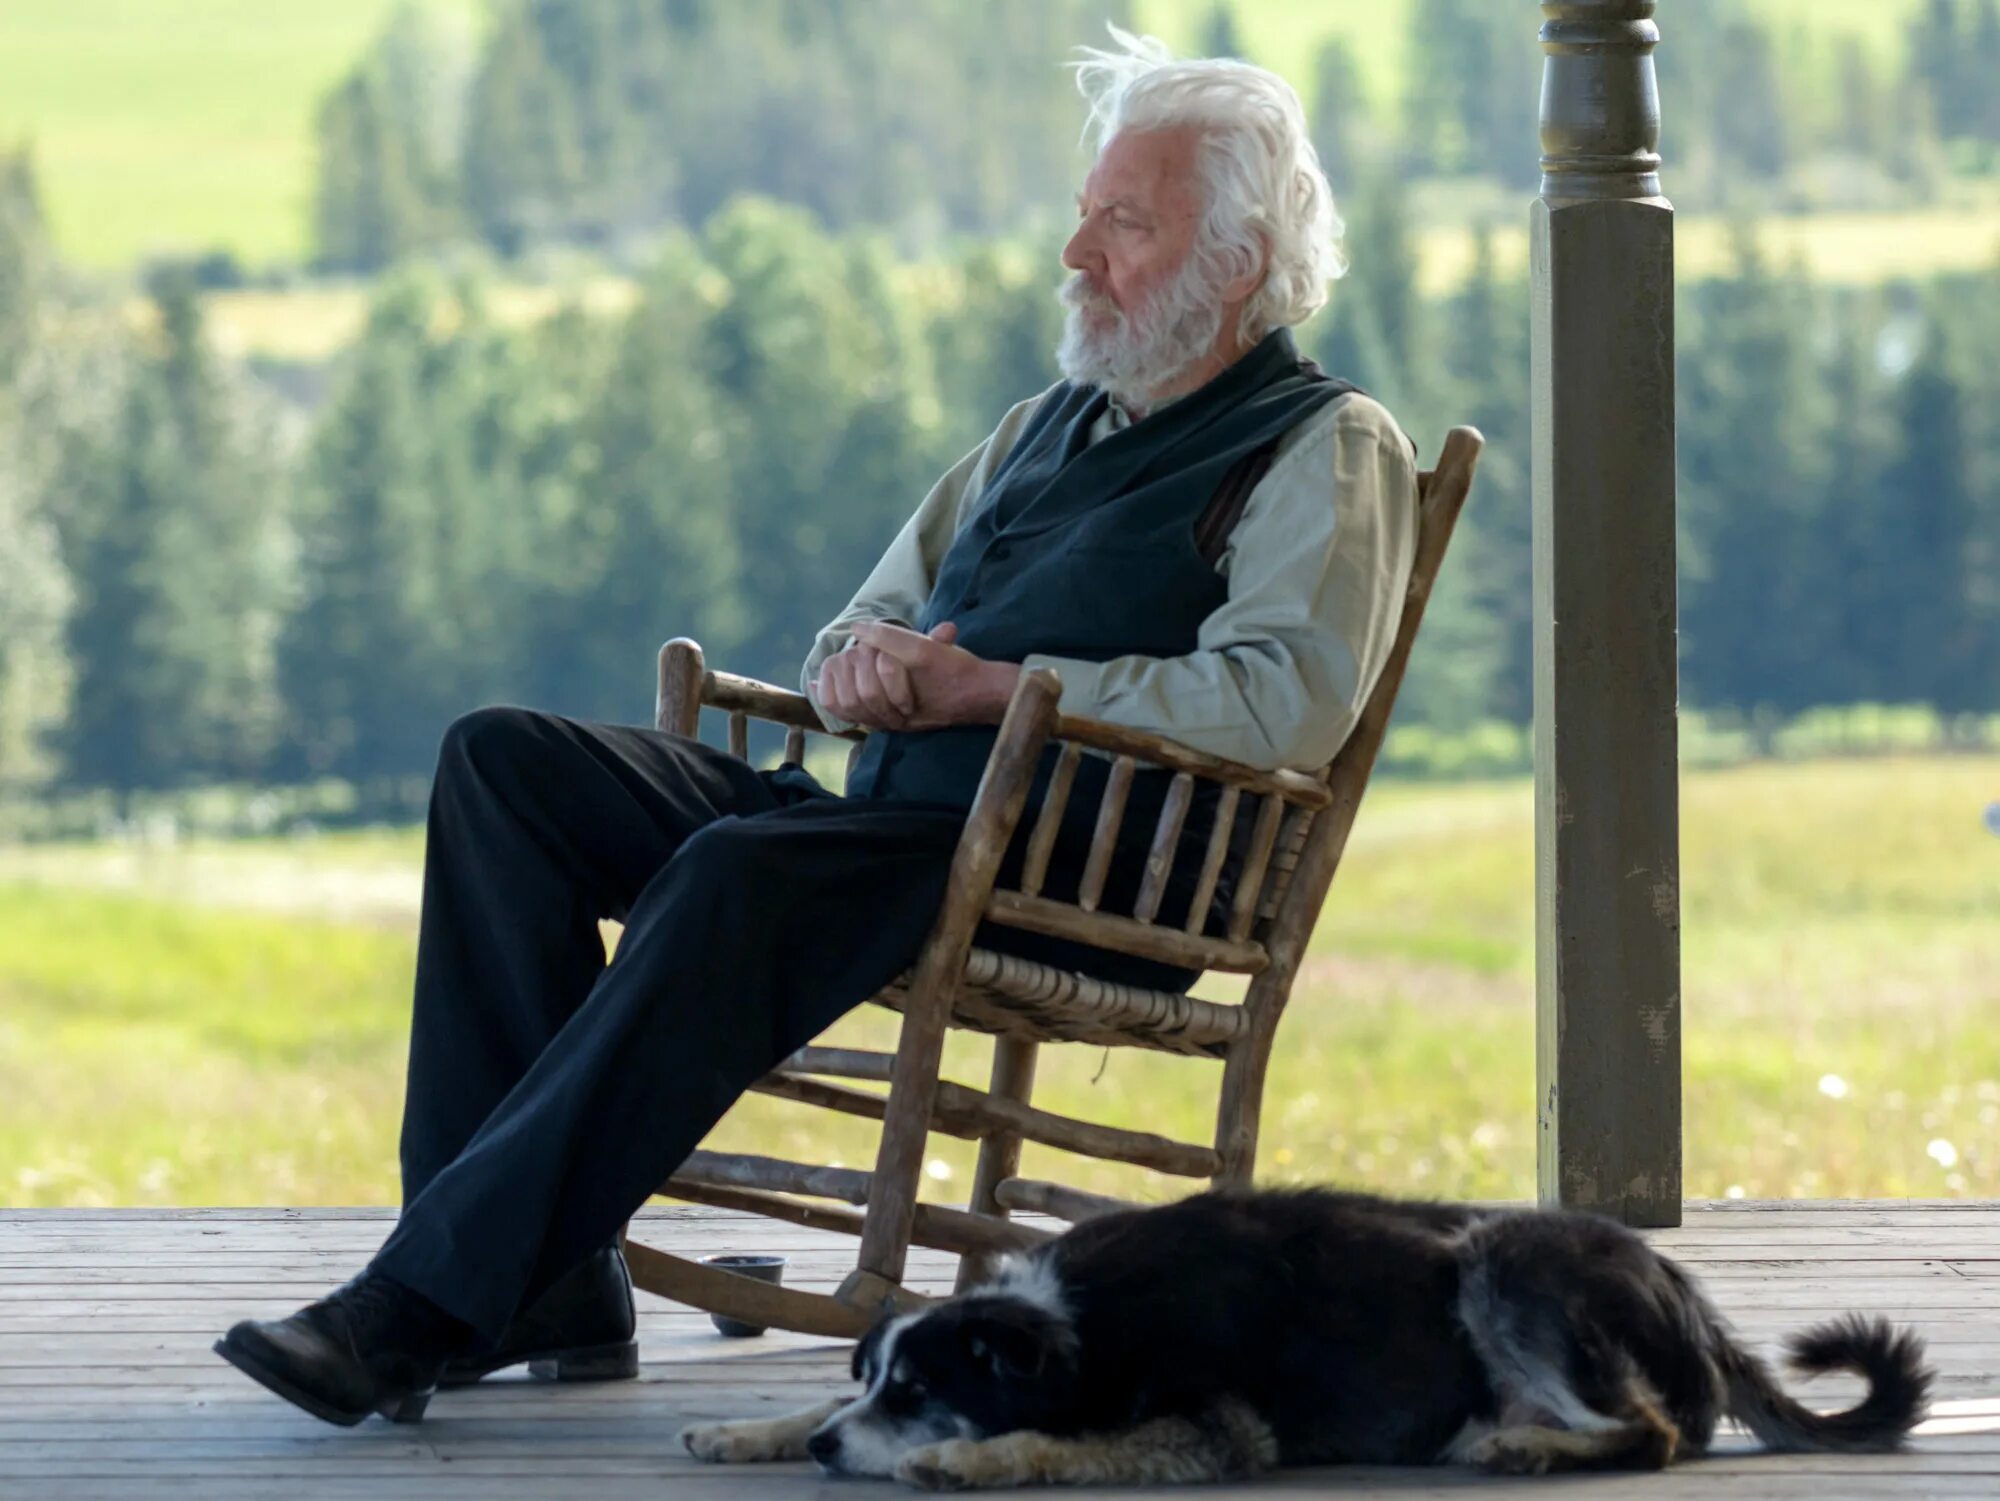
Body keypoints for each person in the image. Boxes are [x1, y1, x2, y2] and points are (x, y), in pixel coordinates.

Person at [212, 25, 1419, 1428]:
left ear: (1243, 266)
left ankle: (417, 1307)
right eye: (1085, 216)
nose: (1077, 255)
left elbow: (1288, 701)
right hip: (891, 832)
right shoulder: (1043, 424)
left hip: (1070, 872)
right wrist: (861, 670)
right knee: (506, 764)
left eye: (1124, 226)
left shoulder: (1320, 444)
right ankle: (542, 1286)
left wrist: (1002, 689)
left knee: (737, 874)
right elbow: (870, 616)